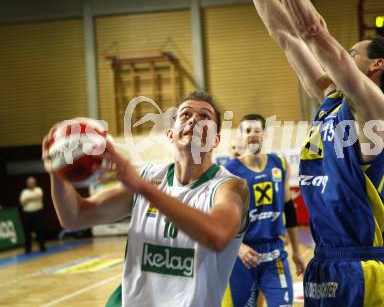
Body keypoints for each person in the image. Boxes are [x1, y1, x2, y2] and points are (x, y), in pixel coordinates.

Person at [232, 0, 384, 306]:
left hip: (360, 263)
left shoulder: (375, 108)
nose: (342, 55)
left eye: (352, 53)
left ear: (376, 65)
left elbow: (312, 30)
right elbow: (286, 36)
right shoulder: (330, 101)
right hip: (323, 260)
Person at [42, 91, 249, 307]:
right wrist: (57, 171)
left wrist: (142, 187)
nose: (194, 119)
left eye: (205, 117)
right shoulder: (148, 177)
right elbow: (75, 217)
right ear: (170, 134)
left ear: (216, 139)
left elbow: (217, 235)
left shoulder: (231, 186)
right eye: (185, 114)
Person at [222, 114, 305, 307]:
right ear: (240, 136)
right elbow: (222, 219)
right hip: (243, 257)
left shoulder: (280, 164)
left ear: (264, 134)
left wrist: (296, 250)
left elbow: (288, 209)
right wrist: (238, 247)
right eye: (247, 131)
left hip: (274, 254)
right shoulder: (229, 171)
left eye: (256, 130)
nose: (252, 134)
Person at [19, 176, 47, 254]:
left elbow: (39, 196)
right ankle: (28, 249)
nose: (31, 184)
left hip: (38, 213)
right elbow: (22, 202)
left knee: (40, 230)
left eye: (32, 182)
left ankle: (42, 246)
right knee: (27, 231)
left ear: (35, 183)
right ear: (27, 184)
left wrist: (28, 199)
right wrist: (32, 198)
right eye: (29, 182)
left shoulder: (38, 189)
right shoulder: (24, 192)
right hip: (27, 214)